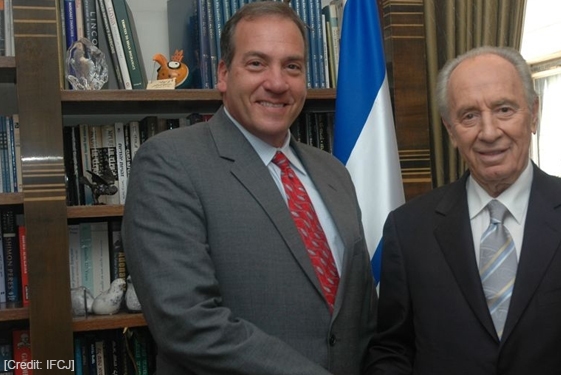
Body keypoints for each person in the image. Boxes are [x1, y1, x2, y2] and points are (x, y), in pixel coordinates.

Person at [364, 46, 561, 374]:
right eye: (469, 115)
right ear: (450, 129)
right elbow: (392, 350)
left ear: (534, 113)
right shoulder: (408, 229)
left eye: (504, 109)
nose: (489, 132)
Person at [122, 2, 377, 374]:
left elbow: (361, 316)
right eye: (257, 63)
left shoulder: (334, 173)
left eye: (292, 66)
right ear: (224, 74)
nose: (276, 83)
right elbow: (186, 322)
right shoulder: (169, 162)